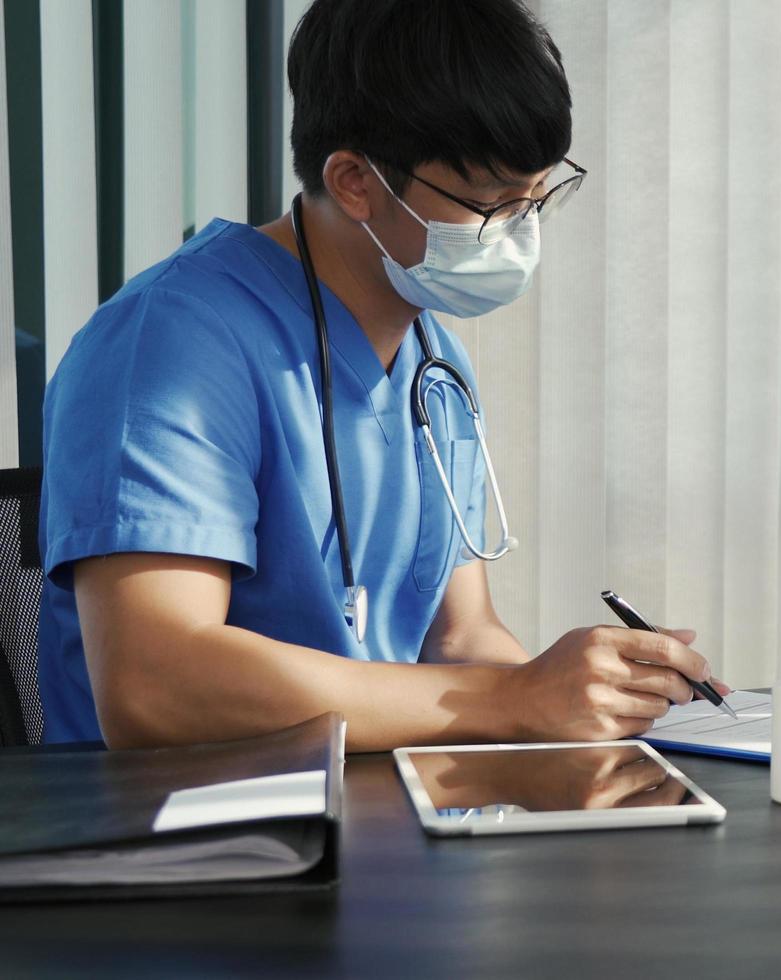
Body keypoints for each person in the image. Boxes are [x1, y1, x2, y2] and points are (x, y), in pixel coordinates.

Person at [36, 0, 725, 752]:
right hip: (196, 842)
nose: (521, 233)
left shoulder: (434, 361)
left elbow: (460, 642)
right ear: (356, 182)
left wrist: (594, 701)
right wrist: (514, 697)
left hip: (390, 821)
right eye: (492, 202)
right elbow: (154, 684)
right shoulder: (170, 346)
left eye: (536, 198)